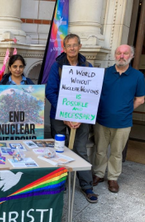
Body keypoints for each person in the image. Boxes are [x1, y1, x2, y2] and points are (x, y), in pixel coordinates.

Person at [46, 33, 98, 203]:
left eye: (75, 45)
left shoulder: (88, 67)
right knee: (59, 149)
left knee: (80, 149)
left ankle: (86, 185)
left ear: (80, 46)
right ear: (64, 48)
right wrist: (65, 114)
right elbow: (50, 92)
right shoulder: (57, 66)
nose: (72, 48)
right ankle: (60, 182)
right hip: (59, 117)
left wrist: (83, 115)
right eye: (69, 45)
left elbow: (92, 94)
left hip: (81, 117)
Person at [93, 45, 145, 193]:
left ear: (131, 56)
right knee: (100, 150)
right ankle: (98, 174)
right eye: (119, 53)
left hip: (123, 123)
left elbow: (140, 99)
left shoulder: (137, 76)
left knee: (116, 152)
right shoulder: (104, 73)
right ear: (114, 55)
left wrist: (126, 110)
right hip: (102, 120)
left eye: (125, 53)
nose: (122, 56)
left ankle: (113, 178)